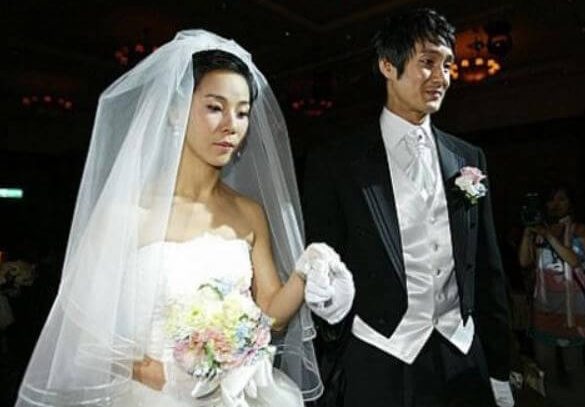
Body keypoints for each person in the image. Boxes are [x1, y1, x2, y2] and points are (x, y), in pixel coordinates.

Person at [14, 30, 353, 407]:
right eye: (215, 107)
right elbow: (81, 333)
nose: (231, 125)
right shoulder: (128, 212)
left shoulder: (249, 213)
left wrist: (307, 269)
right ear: (175, 111)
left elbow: (271, 316)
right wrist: (148, 371)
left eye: (242, 112)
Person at [303, 8, 513, 407]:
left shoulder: (468, 158)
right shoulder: (336, 162)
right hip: (379, 355)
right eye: (428, 62)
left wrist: (499, 368)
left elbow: (488, 270)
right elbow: (322, 265)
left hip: (463, 352)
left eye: (447, 65)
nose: (442, 77)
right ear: (388, 65)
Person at [518, 185, 585, 406]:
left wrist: (549, 235)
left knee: (573, 366)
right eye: (551, 200)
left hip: (572, 310)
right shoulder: (540, 231)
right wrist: (527, 231)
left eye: (561, 199)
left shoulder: (579, 229)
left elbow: (576, 261)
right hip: (543, 308)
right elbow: (524, 261)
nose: (555, 205)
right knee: (545, 367)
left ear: (570, 203)